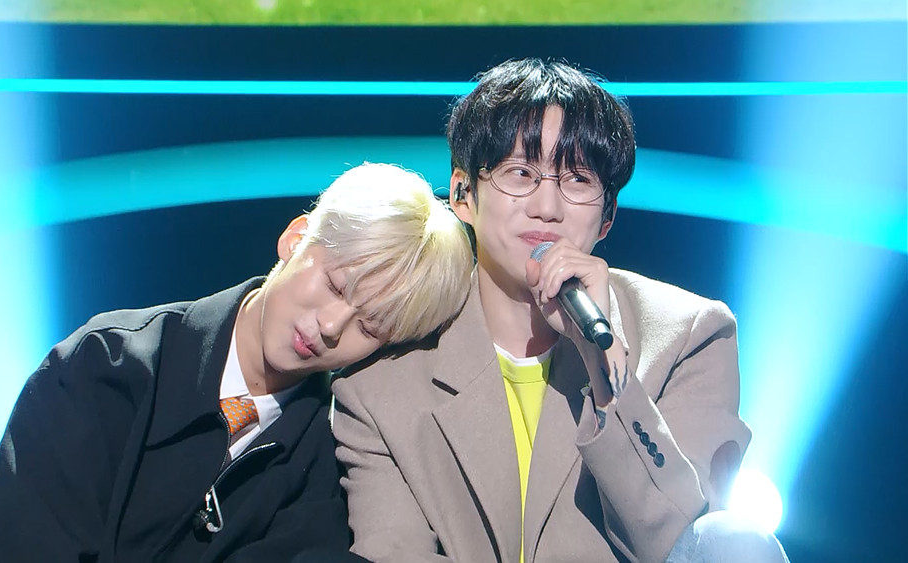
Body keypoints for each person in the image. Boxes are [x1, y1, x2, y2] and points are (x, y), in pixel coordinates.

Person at [332, 59, 789, 562]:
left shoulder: (689, 338)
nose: (547, 207)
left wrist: (604, 368)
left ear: (608, 216)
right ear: (463, 194)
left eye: (577, 179)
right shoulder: (383, 381)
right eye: (520, 173)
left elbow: (690, 546)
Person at [0, 162, 474, 563]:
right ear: (296, 238)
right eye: (335, 285)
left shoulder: (332, 469)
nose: (330, 325)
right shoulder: (106, 367)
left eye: (370, 326)